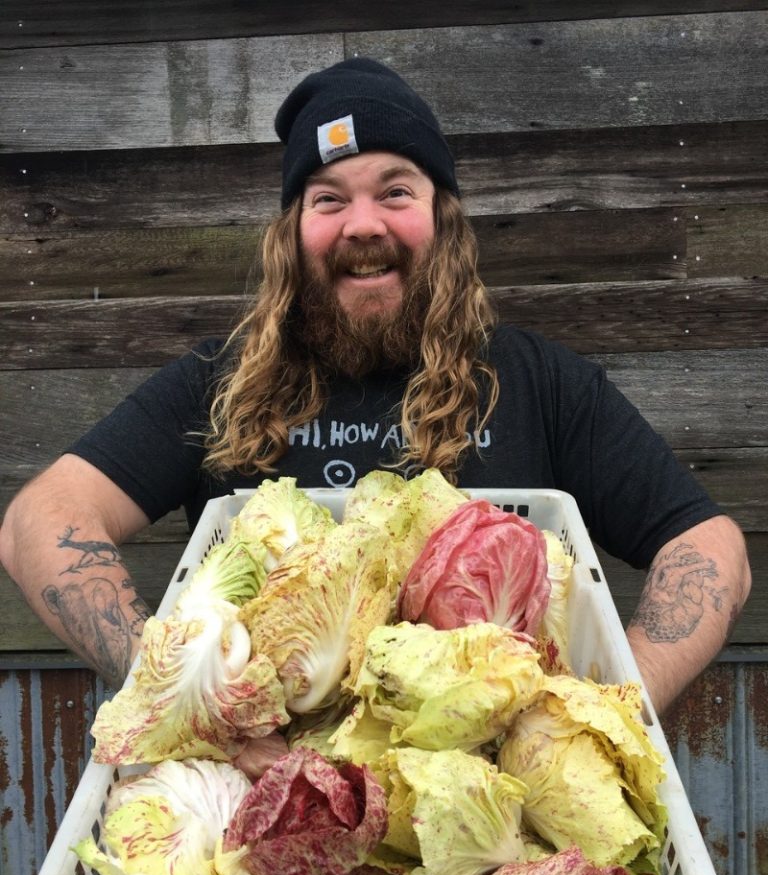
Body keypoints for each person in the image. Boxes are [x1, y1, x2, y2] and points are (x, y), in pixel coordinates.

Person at [0, 58, 751, 718]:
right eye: (328, 199)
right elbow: (38, 520)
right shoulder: (217, 385)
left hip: (484, 802)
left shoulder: (537, 382)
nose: (363, 224)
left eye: (395, 190)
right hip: (266, 781)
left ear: (443, 221)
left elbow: (709, 546)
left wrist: (620, 704)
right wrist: (178, 691)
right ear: (293, 234)